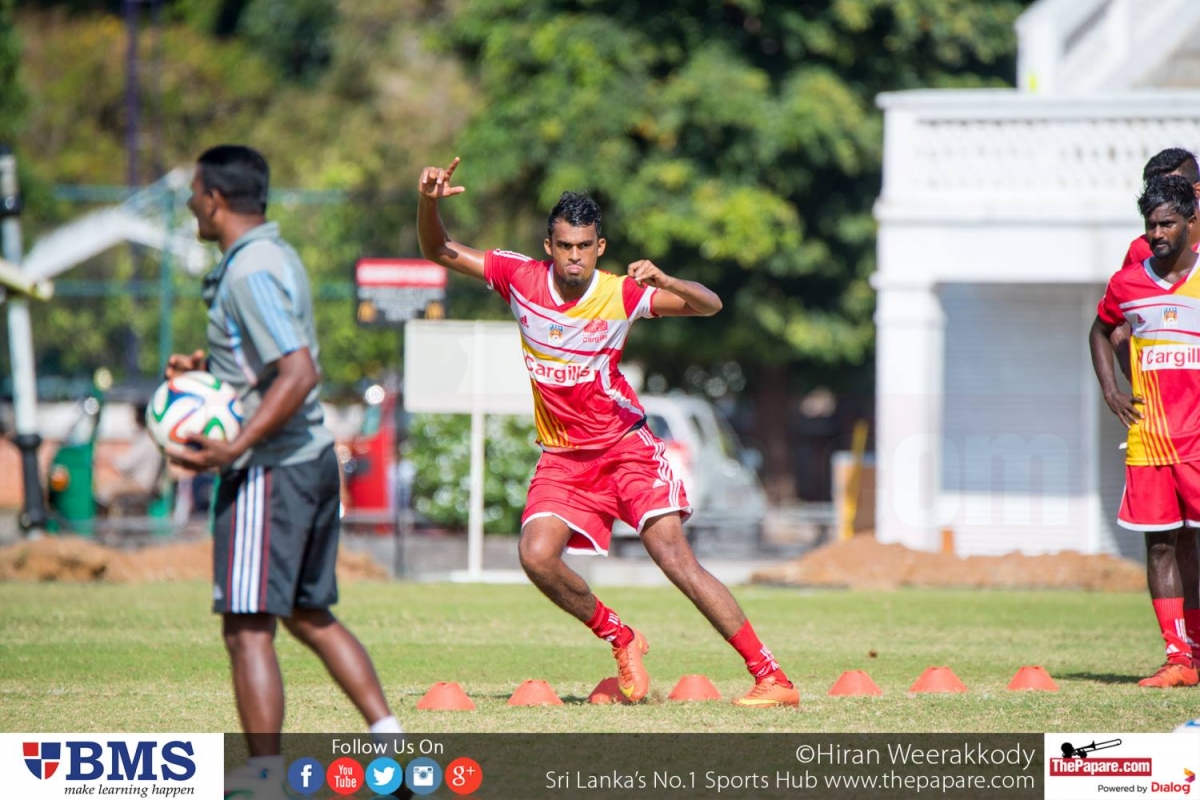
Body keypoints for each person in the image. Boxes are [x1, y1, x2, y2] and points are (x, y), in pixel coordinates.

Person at [416, 157, 799, 707]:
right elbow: (438, 249)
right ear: (548, 246)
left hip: (626, 451)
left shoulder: (621, 293)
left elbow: (709, 305)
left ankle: (771, 677)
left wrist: (667, 281)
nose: (574, 256)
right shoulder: (519, 277)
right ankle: (621, 637)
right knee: (536, 556)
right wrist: (428, 202)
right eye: (564, 245)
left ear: (600, 247)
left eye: (584, 246)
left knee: (675, 559)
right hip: (563, 458)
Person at [165, 145, 402, 795]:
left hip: (271, 471)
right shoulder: (274, 255)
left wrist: (233, 445)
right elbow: (267, 361)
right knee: (307, 613)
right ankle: (390, 739)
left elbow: (298, 371)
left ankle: (266, 775)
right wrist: (207, 372)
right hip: (308, 461)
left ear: (215, 199)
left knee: (247, 626)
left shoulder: (249, 271)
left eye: (194, 192)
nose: (190, 203)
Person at [1090, 174, 1200, 688]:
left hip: (1197, 438)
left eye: (1166, 224)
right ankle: (1179, 659)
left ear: (1190, 223)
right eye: (1150, 225)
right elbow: (1100, 329)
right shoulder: (1127, 284)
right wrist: (1112, 390)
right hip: (1150, 438)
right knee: (1160, 546)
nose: (1156, 234)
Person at [95, 404, 164, 515]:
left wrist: (107, 460)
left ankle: (102, 524)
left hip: (142, 485)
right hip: (144, 483)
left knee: (104, 493)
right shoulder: (151, 437)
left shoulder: (147, 438)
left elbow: (125, 465)